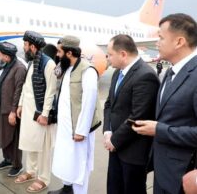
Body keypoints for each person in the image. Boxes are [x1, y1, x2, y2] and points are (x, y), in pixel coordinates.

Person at [132, 13, 197, 194]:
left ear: (179, 42)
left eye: (161, 37)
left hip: (183, 177)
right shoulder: (170, 72)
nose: (156, 42)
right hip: (163, 171)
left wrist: (159, 130)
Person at [104, 34, 159, 194]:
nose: (107, 58)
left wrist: (114, 140)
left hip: (133, 152)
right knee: (114, 188)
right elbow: (109, 104)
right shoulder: (118, 73)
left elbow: (138, 116)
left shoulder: (145, 75)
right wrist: (108, 132)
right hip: (114, 146)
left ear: (123, 54)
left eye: (110, 54)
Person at [49, 35, 102, 194]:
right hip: (65, 125)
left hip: (79, 127)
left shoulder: (88, 70)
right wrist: (60, 61)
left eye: (59, 51)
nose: (57, 55)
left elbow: (89, 102)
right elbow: (55, 73)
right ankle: (67, 188)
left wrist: (81, 130)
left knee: (80, 164)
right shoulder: (67, 67)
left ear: (70, 53)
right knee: (67, 159)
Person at [14, 31, 57, 193]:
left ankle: (43, 178)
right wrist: (20, 105)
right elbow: (26, 87)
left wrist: (45, 114)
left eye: (25, 44)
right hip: (28, 111)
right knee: (30, 142)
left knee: (43, 146)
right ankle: (31, 171)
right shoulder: (32, 63)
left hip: (41, 113)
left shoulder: (49, 64)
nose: (24, 48)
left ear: (32, 46)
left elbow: (51, 92)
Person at [0, 41, 26, 177]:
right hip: (2, 108)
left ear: (7, 56)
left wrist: (13, 111)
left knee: (14, 138)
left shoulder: (19, 68)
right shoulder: (8, 65)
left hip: (11, 111)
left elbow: (19, 91)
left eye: (0, 54)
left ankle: (17, 165)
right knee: (4, 137)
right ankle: (7, 159)